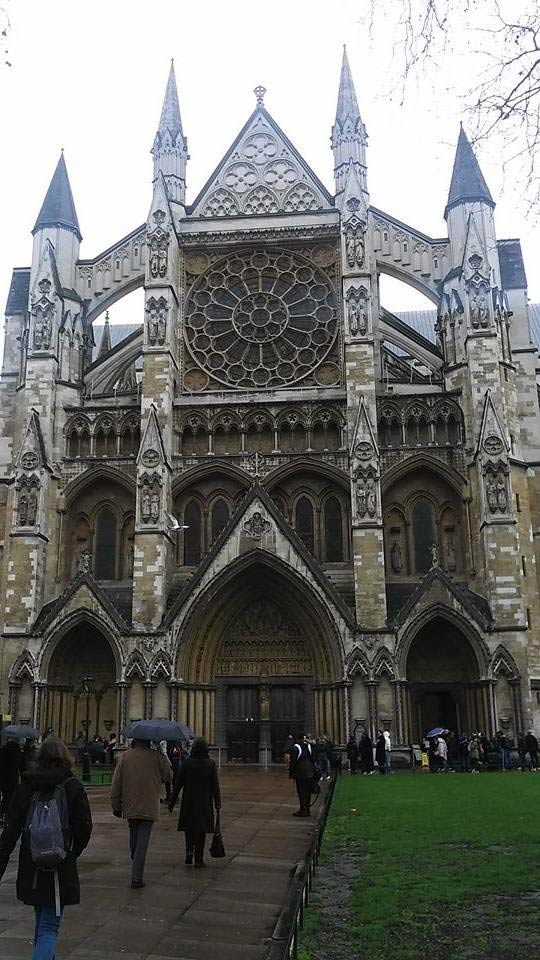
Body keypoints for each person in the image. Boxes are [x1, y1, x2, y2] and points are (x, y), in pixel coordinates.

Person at [0, 736, 92, 960]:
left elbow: (10, 832)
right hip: (59, 865)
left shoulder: (26, 786)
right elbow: (84, 827)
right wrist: (71, 852)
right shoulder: (71, 786)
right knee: (49, 927)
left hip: (31, 863)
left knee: (42, 920)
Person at [110, 738, 172, 889]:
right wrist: (163, 755)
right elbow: (169, 776)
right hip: (149, 804)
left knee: (134, 837)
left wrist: (116, 804)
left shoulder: (125, 757)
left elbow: (116, 782)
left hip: (130, 804)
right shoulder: (157, 757)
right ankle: (136, 878)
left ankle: (136, 859)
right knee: (142, 842)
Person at [168, 738, 221, 867]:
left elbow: (178, 784)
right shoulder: (210, 764)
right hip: (204, 802)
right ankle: (198, 859)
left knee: (189, 828)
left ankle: (189, 852)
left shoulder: (187, 763)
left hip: (189, 800)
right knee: (201, 831)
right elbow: (215, 785)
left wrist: (172, 801)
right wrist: (217, 802)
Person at [288, 735, 315, 817]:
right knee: (308, 791)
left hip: (300, 772)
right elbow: (313, 758)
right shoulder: (308, 746)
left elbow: (293, 761)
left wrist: (291, 773)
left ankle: (303, 810)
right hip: (309, 771)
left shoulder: (295, 747)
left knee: (301, 791)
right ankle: (307, 809)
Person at [0, 739, 24, 824]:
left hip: (3, 779)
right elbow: (20, 768)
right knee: (10, 798)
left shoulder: (3, 752)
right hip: (13, 780)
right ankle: (6, 816)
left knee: (5, 797)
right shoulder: (17, 754)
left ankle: (2, 814)